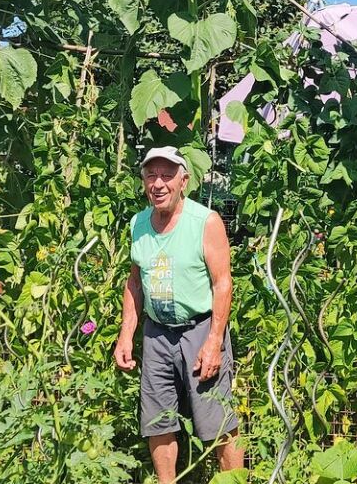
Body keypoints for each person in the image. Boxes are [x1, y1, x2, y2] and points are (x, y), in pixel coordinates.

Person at [114, 145, 244, 484]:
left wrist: (214, 341)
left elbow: (223, 284)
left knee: (217, 420)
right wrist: (126, 333)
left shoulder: (205, 222)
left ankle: (236, 480)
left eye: (167, 175)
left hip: (199, 330)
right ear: (143, 181)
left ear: (183, 181)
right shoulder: (139, 224)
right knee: (158, 420)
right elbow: (135, 281)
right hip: (157, 333)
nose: (158, 184)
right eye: (151, 175)